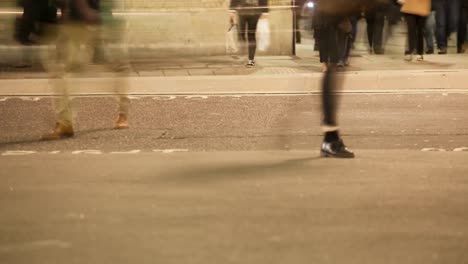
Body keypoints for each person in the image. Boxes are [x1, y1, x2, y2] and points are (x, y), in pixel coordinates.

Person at [41, 0, 131, 140]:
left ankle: (65, 123)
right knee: (117, 67)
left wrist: (82, 10)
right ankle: (123, 114)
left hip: (80, 21)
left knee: (61, 70)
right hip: (100, 19)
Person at [314, 0, 356, 158]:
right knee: (332, 71)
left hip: (334, 16)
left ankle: (330, 138)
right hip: (330, 17)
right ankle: (330, 139)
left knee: (333, 72)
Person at [229, 0, 269, 67]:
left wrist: (265, 11)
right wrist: (232, 10)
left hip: (254, 12)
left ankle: (251, 59)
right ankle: (243, 52)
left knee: (251, 36)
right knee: (241, 34)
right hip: (242, 11)